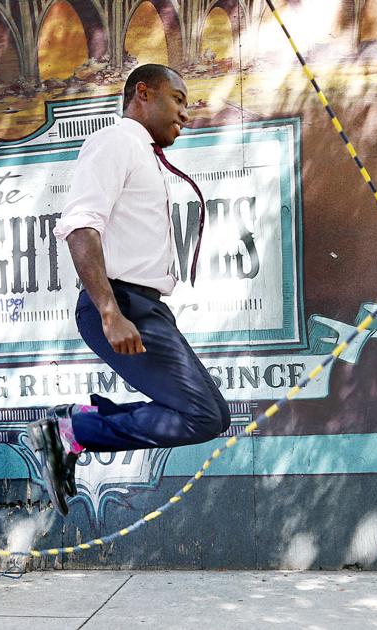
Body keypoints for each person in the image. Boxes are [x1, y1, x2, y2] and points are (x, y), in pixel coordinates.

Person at [27, 64, 231, 515]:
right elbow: (81, 226)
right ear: (144, 93)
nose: (185, 113)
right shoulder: (117, 141)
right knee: (202, 415)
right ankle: (74, 430)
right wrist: (109, 311)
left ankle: (76, 427)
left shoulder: (141, 152)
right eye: (177, 99)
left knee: (213, 415)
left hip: (145, 306)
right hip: (122, 304)